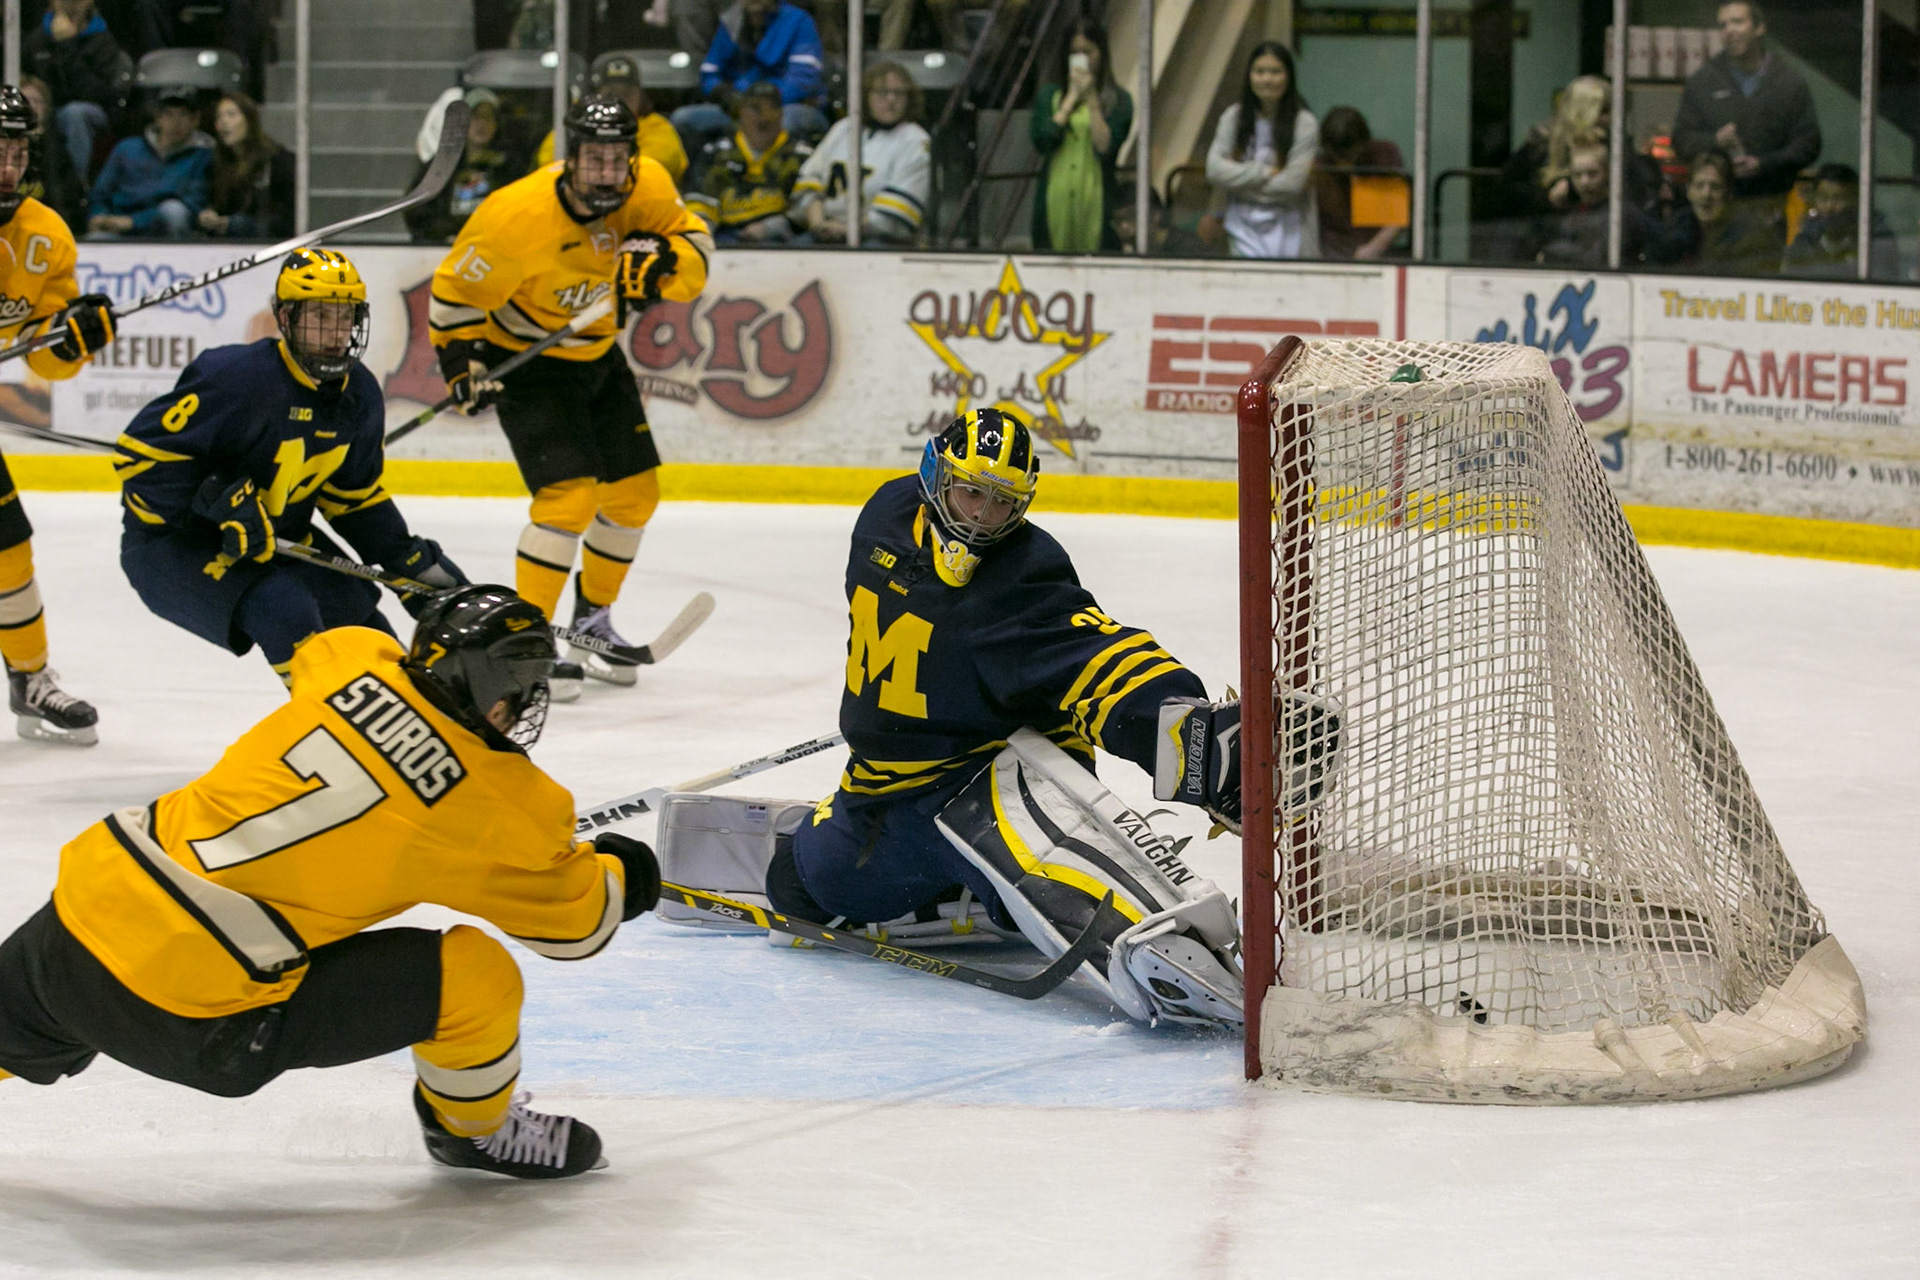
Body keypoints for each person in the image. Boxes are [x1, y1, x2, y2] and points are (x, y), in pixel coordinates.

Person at [661, 410, 1341, 1030]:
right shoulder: (885, 516)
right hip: (885, 790)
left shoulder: (1021, 572)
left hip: (996, 774)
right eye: (971, 492)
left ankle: (1133, 913)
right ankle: (976, 896)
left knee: (1068, 886)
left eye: (1003, 503)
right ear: (936, 476)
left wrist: (1190, 740)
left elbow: (1095, 655)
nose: (982, 517)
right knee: (799, 890)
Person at [0, 585, 663, 1180]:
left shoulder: (352, 657)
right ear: (498, 699)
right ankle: (474, 1132)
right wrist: (619, 873)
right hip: (197, 1025)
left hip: (79, 925)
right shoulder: (509, 808)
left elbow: (334, 655)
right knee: (477, 975)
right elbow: (576, 929)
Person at [429, 94, 713, 700]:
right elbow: (453, 297)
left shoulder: (650, 188)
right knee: (568, 500)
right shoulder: (514, 217)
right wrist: (464, 364)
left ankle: (590, 626)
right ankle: (527, 640)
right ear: (571, 158)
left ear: (633, 160)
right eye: (594, 159)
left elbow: (697, 253)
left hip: (596, 355)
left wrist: (664, 263)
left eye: (618, 160)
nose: (607, 172)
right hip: (527, 364)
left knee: (635, 497)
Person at [116, 249, 469, 687]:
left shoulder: (358, 394)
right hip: (174, 546)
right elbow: (141, 460)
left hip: (277, 541)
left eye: (345, 317)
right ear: (285, 318)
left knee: (360, 622)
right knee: (285, 610)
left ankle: (395, 726)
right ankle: (328, 732)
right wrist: (216, 504)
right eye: (319, 316)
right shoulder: (236, 378)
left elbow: (353, 499)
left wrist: (407, 559)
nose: (335, 332)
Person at [0, 86, 113, 745]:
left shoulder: (44, 236)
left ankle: (30, 677)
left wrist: (72, 339)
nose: (7, 166)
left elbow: (43, 362)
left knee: (8, 546)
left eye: (16, 150)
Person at [1672, 2, 1819, 218]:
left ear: (1760, 28)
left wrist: (1764, 164)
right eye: (1723, 25)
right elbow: (1681, 139)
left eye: (1738, 22)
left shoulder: (1789, 83)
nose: (1729, 30)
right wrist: (1715, 141)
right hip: (1713, 211)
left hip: (1770, 206)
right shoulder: (1703, 82)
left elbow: (1809, 144)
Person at [791, 59, 932, 246]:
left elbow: (896, 216)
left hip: (881, 239)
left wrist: (847, 230)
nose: (891, 99)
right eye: (882, 92)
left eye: (898, 93)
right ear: (866, 96)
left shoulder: (915, 140)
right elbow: (810, 180)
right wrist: (818, 224)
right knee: (798, 247)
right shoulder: (844, 128)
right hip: (828, 230)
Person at [672, 0, 828, 161]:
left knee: (784, 123)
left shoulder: (799, 21)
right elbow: (709, 72)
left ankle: (779, 180)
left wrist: (761, 103)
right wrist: (723, 93)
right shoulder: (731, 22)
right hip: (739, 107)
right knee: (684, 119)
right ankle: (704, 180)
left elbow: (803, 80)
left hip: (785, 107)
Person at [1203, 41, 1317, 260]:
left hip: (1290, 228)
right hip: (1239, 227)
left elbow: (1292, 183)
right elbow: (1214, 170)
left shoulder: (1304, 123)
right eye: (1260, 71)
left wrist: (1237, 183)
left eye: (1275, 72)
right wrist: (1263, 173)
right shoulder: (1233, 117)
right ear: (1249, 76)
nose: (1267, 79)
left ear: (1288, 76)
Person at [1030, 18, 1133, 253]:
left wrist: (1092, 102)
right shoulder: (1050, 96)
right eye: (1074, 53)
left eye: (1088, 52)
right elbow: (1042, 139)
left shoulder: (1118, 100)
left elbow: (1106, 147)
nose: (1081, 59)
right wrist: (1069, 101)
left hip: (1096, 200)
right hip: (1055, 200)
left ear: (1101, 54)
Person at [685, 81, 811, 244]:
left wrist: (772, 227)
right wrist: (703, 232)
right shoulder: (716, 152)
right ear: (742, 113)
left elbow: (808, 206)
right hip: (722, 235)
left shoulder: (800, 154)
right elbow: (699, 200)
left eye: (771, 109)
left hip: (780, 241)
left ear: (781, 114)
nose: (763, 118)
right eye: (756, 109)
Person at [533, 57, 688, 188]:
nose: (619, 101)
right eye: (611, 94)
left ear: (640, 97)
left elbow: (658, 166)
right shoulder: (578, 125)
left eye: (626, 94)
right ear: (596, 95)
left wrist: (588, 168)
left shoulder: (657, 127)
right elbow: (548, 160)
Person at [22, 0, 132, 183]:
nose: (70, 5)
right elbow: (23, 78)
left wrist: (67, 46)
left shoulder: (102, 41)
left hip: (91, 111)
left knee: (75, 113)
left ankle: (75, 186)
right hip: (47, 108)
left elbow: (98, 94)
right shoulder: (37, 40)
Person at [86, 85, 210, 239]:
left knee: (174, 211)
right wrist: (99, 215)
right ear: (157, 117)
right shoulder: (126, 148)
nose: (176, 122)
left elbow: (193, 205)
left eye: (184, 115)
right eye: (168, 114)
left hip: (167, 232)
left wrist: (134, 221)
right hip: (119, 230)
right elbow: (101, 193)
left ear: (195, 120)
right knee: (97, 239)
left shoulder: (203, 156)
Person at [404, 88, 523, 244]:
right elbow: (415, 209)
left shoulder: (509, 166)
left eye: (488, 117)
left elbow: (519, 211)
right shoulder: (442, 164)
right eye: (475, 117)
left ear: (497, 123)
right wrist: (443, 236)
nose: (481, 124)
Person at [1649, 149, 1781, 275]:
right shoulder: (1674, 228)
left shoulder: (1753, 236)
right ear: (1689, 191)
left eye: (1715, 187)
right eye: (1699, 186)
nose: (1706, 194)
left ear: (1729, 193)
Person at [1534, 140, 1652, 267]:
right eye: (1577, 175)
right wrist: (1552, 207)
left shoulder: (1622, 214)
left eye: (1592, 174)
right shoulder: (1568, 213)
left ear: (1607, 173)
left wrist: (1551, 254)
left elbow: (1597, 258)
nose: (1584, 182)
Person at [198, 91, 293, 240]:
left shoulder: (276, 161)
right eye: (219, 117)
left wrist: (235, 224)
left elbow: (287, 218)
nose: (224, 122)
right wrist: (209, 215)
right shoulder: (217, 164)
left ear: (250, 120)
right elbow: (217, 204)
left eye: (231, 114)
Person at [1312, 106, 1403, 261]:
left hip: (1380, 253)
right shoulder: (1320, 168)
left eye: (1349, 155)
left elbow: (1398, 215)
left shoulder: (1383, 157)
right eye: (1337, 157)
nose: (1344, 165)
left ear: (1364, 144)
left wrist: (1374, 248)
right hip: (1332, 255)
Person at [1781, 163, 1899, 280]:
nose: (1829, 207)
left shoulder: (1877, 244)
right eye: (1823, 197)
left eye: (1839, 198)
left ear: (1857, 202)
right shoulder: (1803, 245)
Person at [17, 76, 88, 231]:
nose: (32, 106)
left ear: (46, 108)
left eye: (38, 101)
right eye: (26, 100)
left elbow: (69, 199)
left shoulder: (57, 150)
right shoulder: (6, 148)